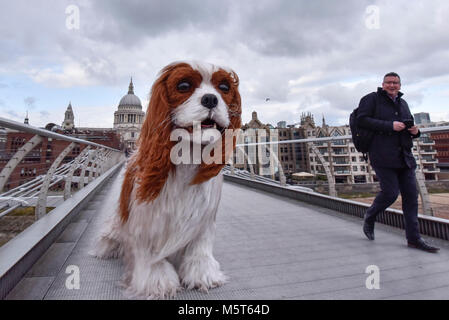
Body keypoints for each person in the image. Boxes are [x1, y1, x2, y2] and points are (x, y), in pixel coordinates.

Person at [357, 72, 439, 253]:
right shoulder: (371, 99)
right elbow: (361, 120)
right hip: (382, 154)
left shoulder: (403, 103)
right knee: (390, 193)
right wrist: (390, 126)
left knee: (411, 197)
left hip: (404, 155)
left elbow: (409, 125)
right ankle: (370, 216)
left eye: (395, 83)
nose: (392, 85)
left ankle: (414, 239)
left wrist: (415, 132)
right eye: (389, 82)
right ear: (383, 84)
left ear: (400, 85)